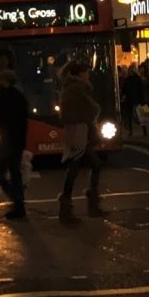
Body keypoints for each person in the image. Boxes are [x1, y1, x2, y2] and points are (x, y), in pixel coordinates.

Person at [57, 59, 105, 223]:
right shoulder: (77, 89)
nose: (88, 75)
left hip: (78, 131)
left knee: (87, 165)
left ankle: (74, 203)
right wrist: (91, 114)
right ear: (79, 74)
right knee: (75, 166)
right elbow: (92, 109)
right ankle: (74, 204)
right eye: (86, 72)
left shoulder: (71, 88)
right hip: (78, 131)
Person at [0, 69, 29, 219]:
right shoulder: (19, 95)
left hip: (8, 141)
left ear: (4, 81)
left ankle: (16, 199)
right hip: (16, 140)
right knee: (14, 172)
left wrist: (2, 137)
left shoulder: (8, 96)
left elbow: (6, 121)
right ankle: (19, 205)